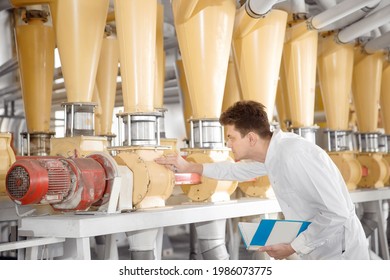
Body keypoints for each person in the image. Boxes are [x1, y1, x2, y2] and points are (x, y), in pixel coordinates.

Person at [155, 100, 370, 260]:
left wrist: (293, 247)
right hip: (321, 248)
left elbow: (337, 212)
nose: (228, 144)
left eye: (231, 137)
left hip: (341, 252)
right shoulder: (273, 154)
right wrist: (189, 166)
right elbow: (234, 171)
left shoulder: (294, 154)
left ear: (251, 138)